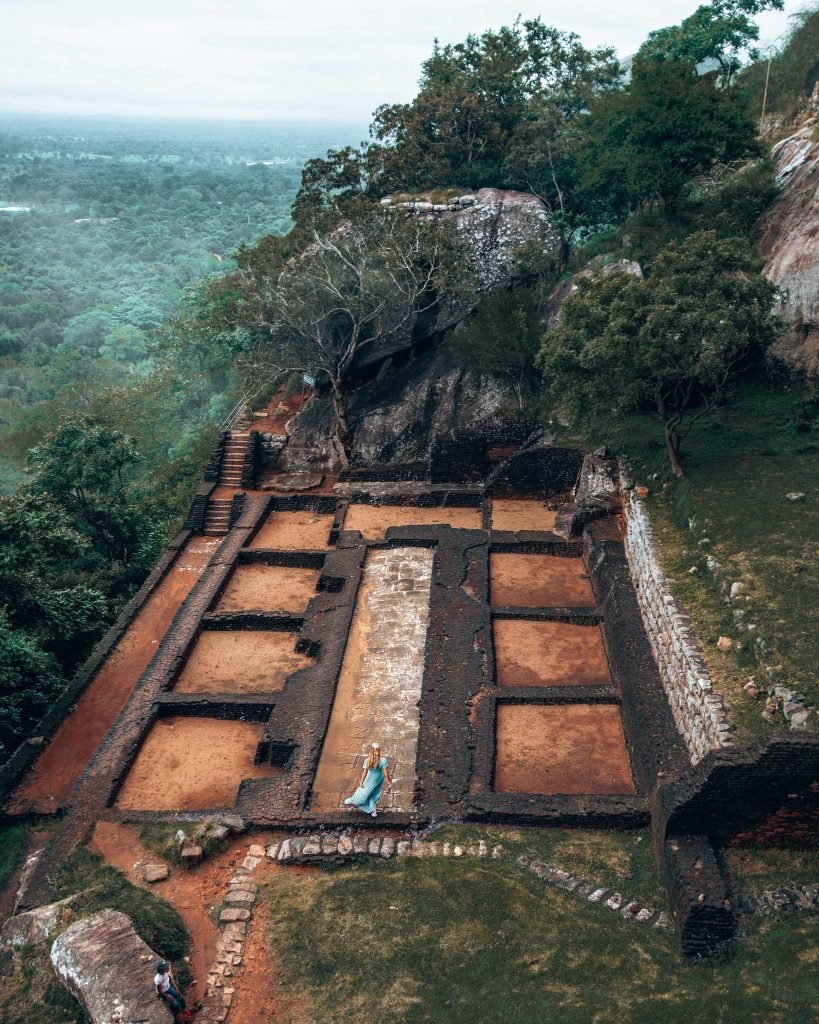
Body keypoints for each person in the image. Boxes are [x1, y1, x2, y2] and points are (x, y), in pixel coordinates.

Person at [344, 742, 393, 817]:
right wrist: (389, 783)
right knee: (374, 794)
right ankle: (374, 811)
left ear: (371, 750)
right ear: (379, 750)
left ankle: (357, 803)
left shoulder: (367, 761)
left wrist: (361, 782)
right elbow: (386, 774)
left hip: (369, 778)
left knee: (362, 791)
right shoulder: (383, 760)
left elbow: (364, 773)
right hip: (378, 779)